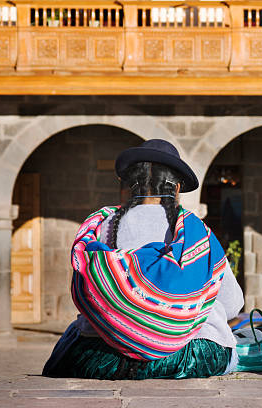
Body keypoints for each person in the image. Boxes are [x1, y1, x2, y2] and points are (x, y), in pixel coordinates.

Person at [43, 139, 244, 380]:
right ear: (177, 188)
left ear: (129, 185)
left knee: (73, 335)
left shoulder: (100, 225)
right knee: (229, 349)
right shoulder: (195, 233)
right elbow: (233, 304)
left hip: (99, 356)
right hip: (185, 356)